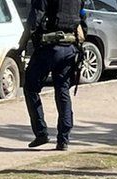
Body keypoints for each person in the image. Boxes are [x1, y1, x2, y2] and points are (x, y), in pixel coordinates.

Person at [19, 0, 86, 151]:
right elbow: (83, 18)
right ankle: (63, 139)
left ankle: (41, 132)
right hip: (70, 48)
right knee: (62, 90)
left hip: (49, 48)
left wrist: (22, 45)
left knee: (30, 88)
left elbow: (35, 18)